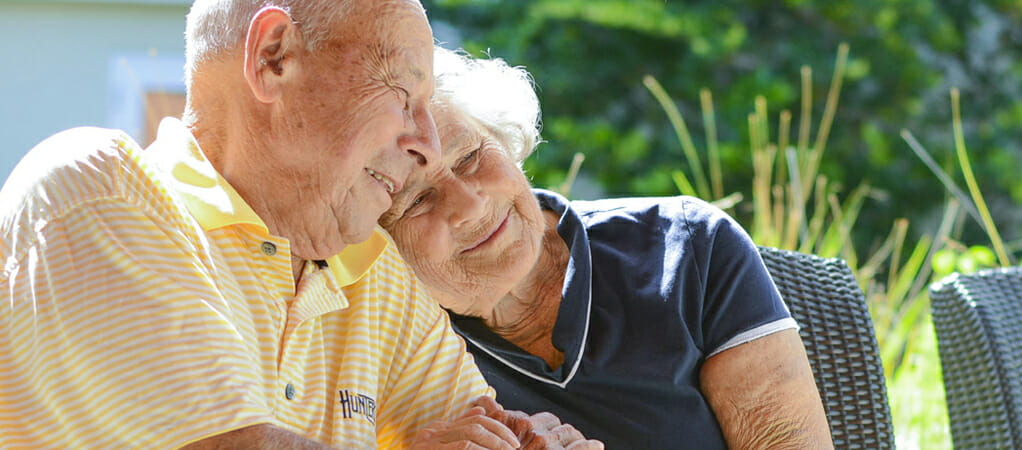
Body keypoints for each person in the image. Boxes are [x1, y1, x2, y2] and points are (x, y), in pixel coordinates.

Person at [0, 2, 601, 449]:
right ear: (273, 59)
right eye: (401, 92)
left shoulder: (371, 272)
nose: (428, 142)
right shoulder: (97, 189)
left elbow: (476, 428)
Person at [379, 46, 835, 449]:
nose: (470, 205)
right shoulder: (385, 343)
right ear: (374, 232)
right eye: (416, 200)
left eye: (470, 157)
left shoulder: (686, 246)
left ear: (501, 137)